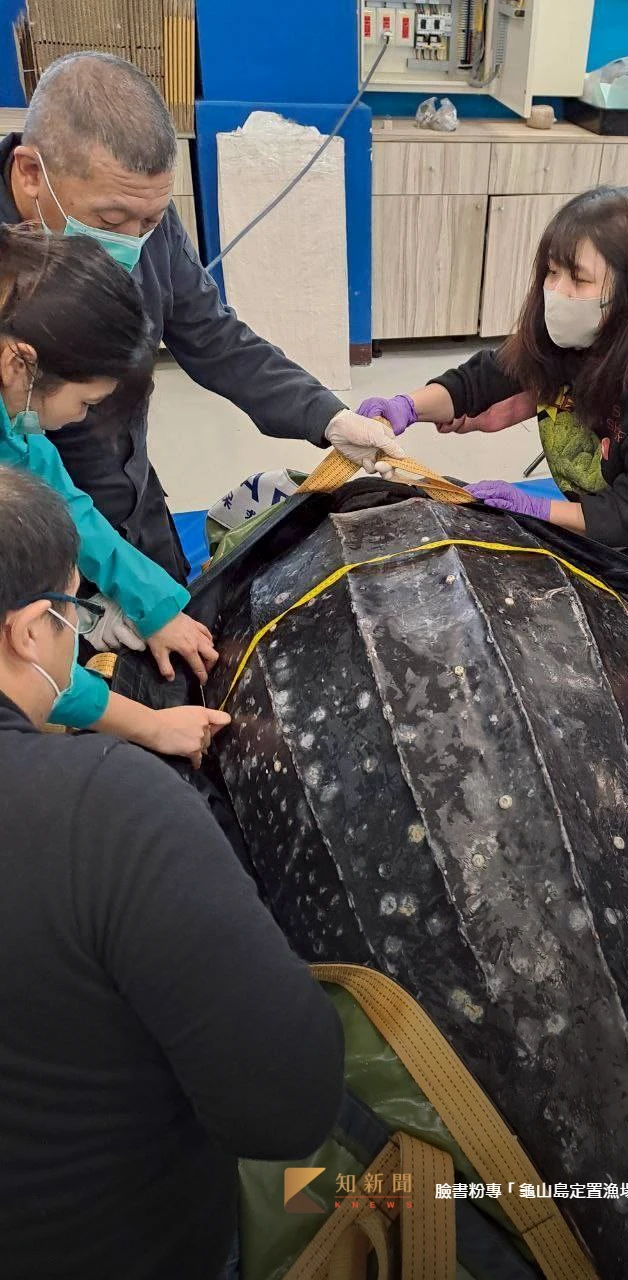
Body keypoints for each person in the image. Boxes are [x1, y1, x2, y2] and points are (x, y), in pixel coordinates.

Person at [0, 464, 345, 1279]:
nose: (78, 635)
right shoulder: (108, 809)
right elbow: (285, 1110)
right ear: (30, 630)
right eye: (75, 612)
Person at [0, 51, 402, 583]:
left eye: (149, 221)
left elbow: (213, 335)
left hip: (131, 503)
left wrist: (325, 416)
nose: (132, 242)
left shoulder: (140, 212)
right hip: (27, 537)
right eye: (112, 221)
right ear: (32, 174)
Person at [358, 186, 628, 562]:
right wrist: (406, 407)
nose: (557, 292)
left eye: (579, 279)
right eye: (552, 272)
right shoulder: (594, 318)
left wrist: (535, 508)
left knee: (605, 593)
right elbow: (491, 375)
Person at [0, 223, 229, 752]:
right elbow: (20, 665)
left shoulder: (16, 420)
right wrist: (149, 725)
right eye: (84, 403)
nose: (80, 418)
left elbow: (65, 504)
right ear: (19, 362)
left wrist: (152, 603)